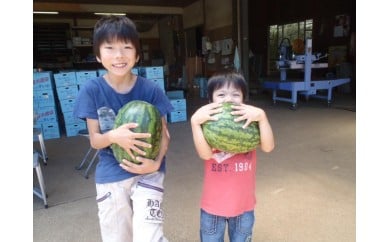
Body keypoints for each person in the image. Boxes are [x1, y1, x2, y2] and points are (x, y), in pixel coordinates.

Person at [73, 15, 173, 242]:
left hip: (149, 171)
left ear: (137, 54)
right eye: (109, 48)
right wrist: (115, 136)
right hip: (111, 173)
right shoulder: (92, 90)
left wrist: (155, 163)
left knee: (149, 235)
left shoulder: (150, 89)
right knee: (117, 237)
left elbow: (164, 134)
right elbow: (95, 140)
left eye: (126, 47)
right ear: (98, 55)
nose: (119, 55)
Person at [190, 71, 275, 242]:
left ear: (244, 99)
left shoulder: (248, 122)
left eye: (235, 94)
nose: (228, 99)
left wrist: (262, 117)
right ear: (210, 100)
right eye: (221, 94)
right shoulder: (208, 124)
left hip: (244, 207)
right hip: (213, 208)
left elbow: (268, 147)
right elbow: (205, 154)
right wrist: (195, 122)